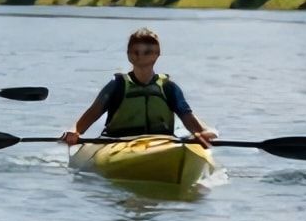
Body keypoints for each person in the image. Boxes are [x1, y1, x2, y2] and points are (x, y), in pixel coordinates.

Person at [61, 27, 216, 148]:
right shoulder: (117, 85)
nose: (141, 56)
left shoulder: (168, 88)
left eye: (148, 52)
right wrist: (75, 131)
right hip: (117, 142)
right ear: (129, 55)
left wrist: (202, 132)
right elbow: (92, 113)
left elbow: (187, 117)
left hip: (161, 143)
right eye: (136, 52)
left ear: (157, 54)